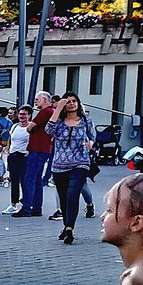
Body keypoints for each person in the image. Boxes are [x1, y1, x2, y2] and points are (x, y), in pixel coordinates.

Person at [48, 96, 96, 245]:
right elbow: (48, 130)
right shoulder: (59, 121)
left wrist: (90, 143)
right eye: (67, 101)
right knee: (63, 197)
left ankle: (69, 228)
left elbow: (93, 136)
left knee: (72, 194)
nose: (71, 104)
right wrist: (58, 109)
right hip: (60, 164)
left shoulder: (86, 120)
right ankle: (65, 226)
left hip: (80, 162)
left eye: (74, 101)